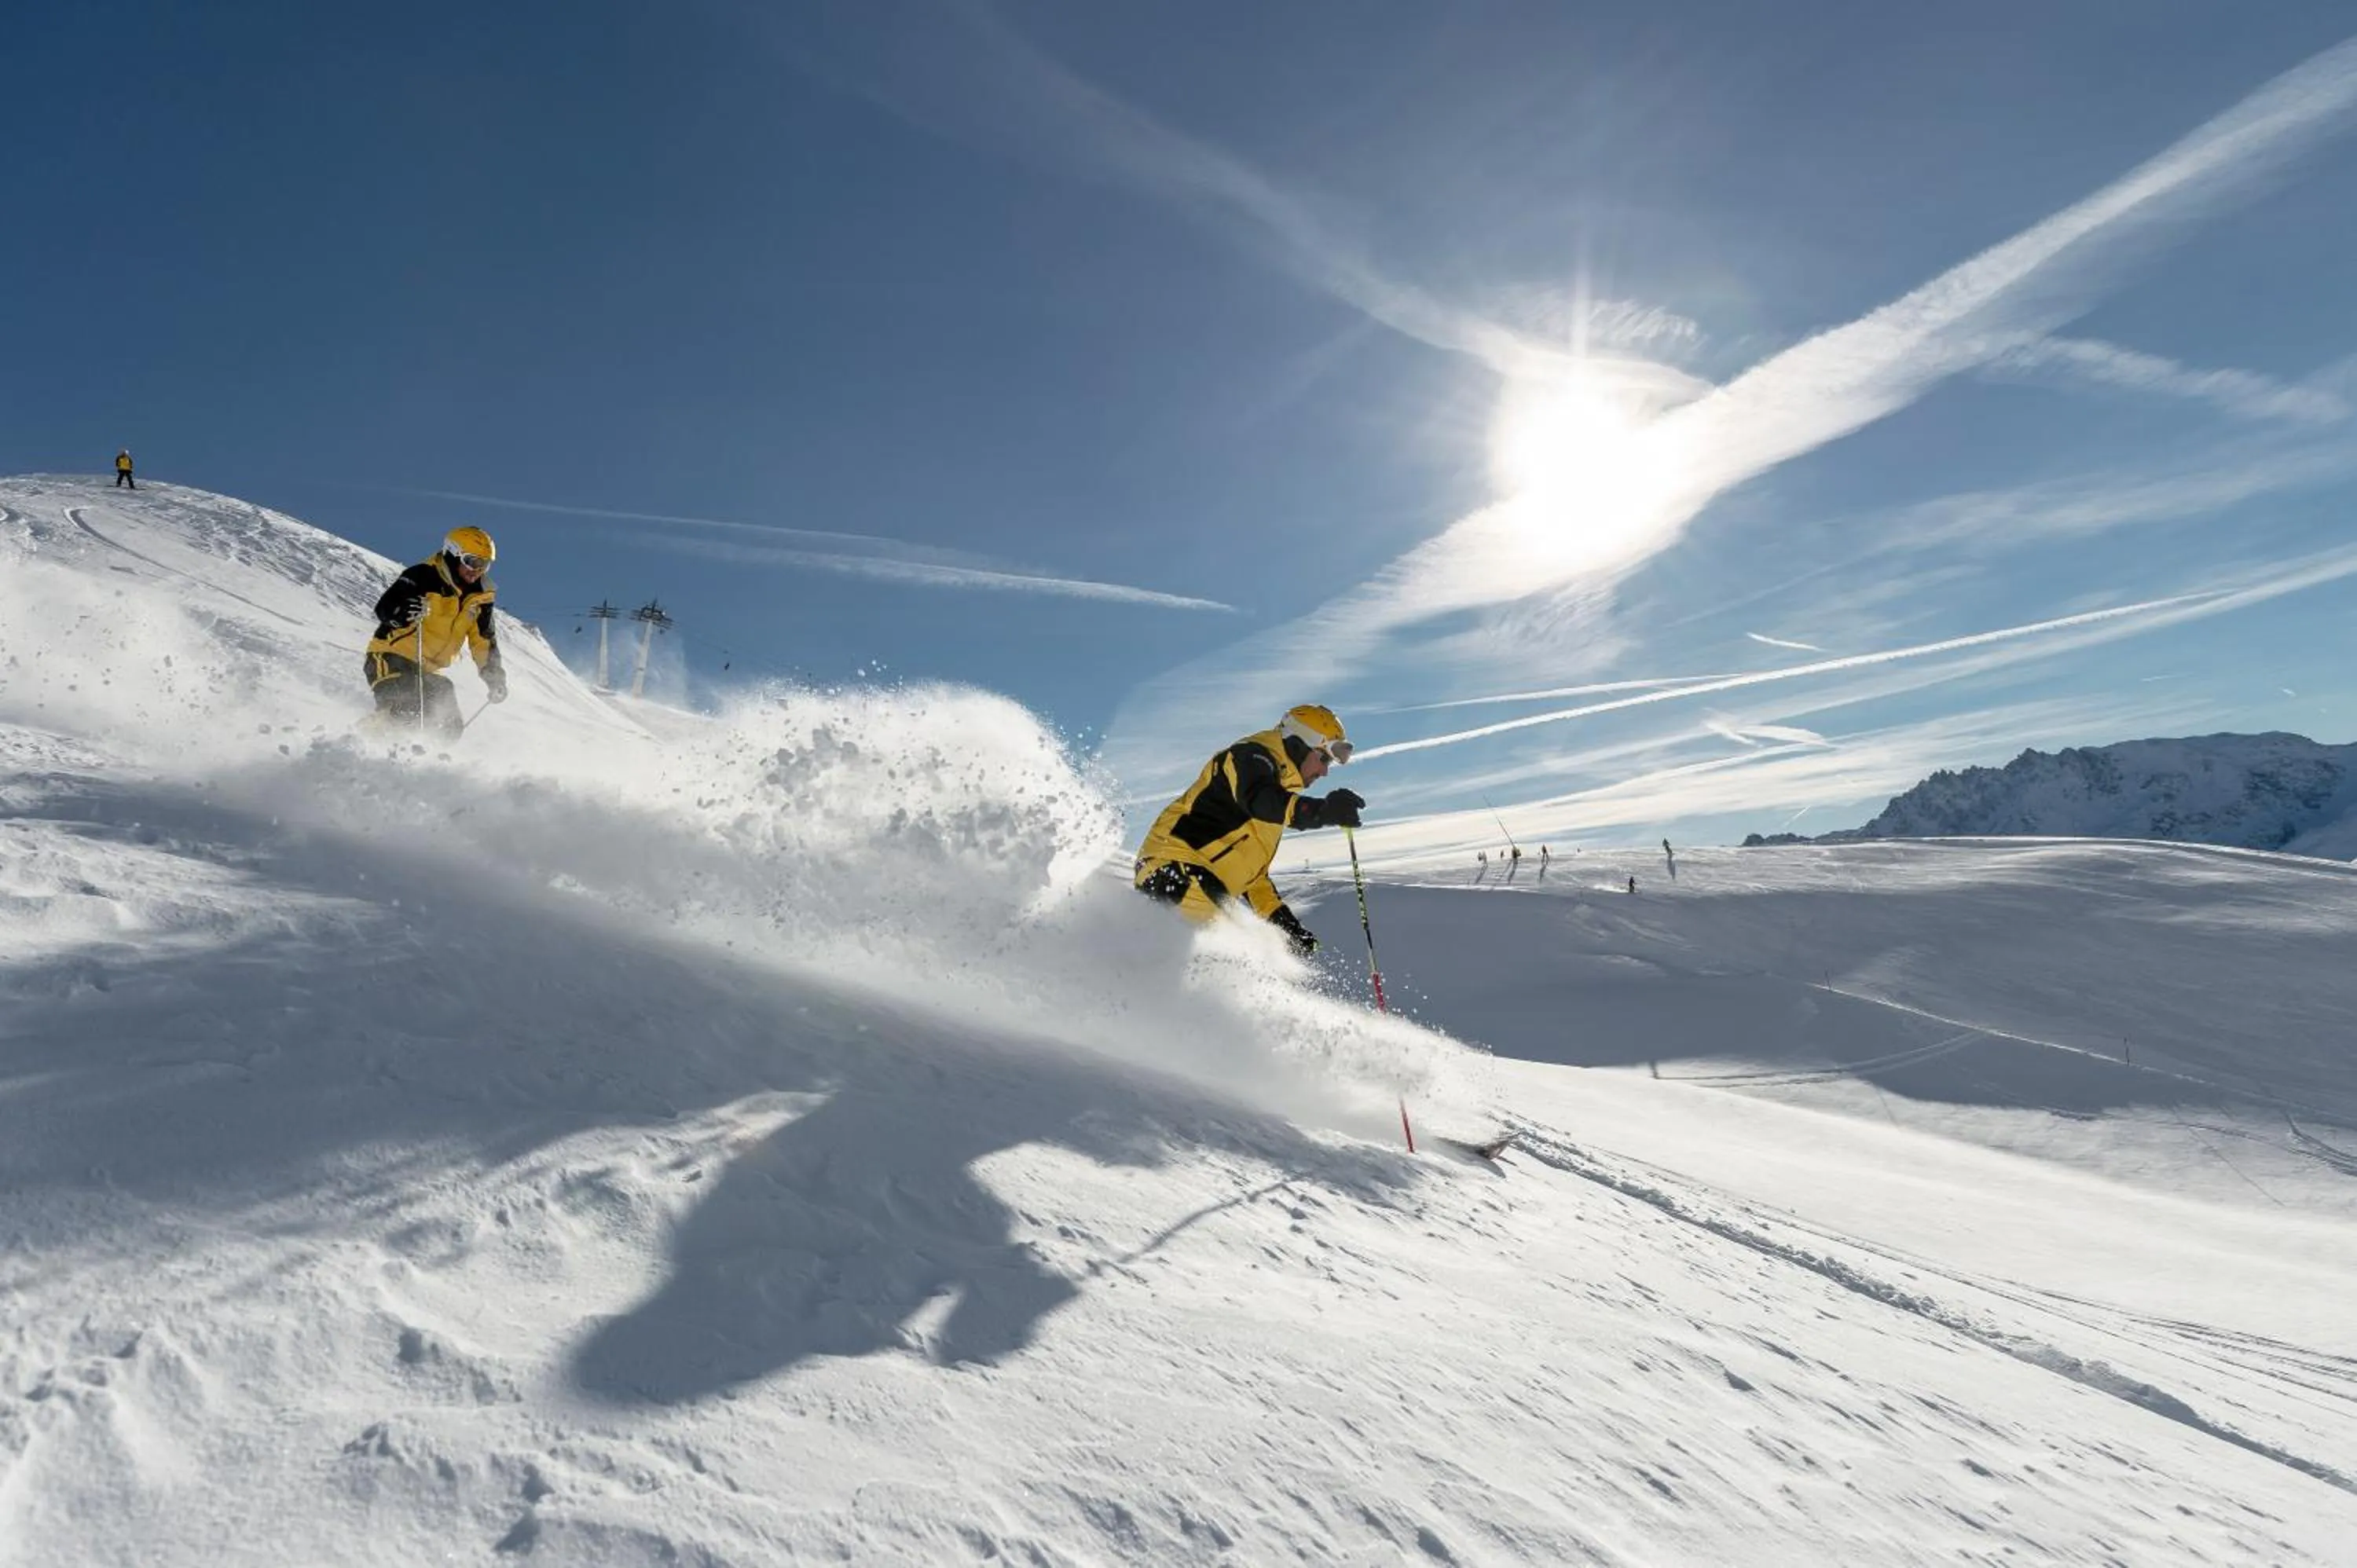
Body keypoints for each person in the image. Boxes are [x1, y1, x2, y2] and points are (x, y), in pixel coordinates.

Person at [1134, 704, 1365, 955]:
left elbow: (1254, 880)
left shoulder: (1278, 796)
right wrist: (1322, 811)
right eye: (1323, 758)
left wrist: (1288, 928)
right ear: (1299, 745)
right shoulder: (1250, 757)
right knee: (1214, 961)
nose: (1324, 771)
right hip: (1175, 868)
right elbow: (1257, 798)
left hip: (1204, 881)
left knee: (1229, 958)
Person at [364, 527, 508, 738]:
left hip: (428, 671)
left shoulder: (480, 598)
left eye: (484, 564)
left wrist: (494, 678)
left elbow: (483, 641)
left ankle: (429, 766)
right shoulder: (423, 576)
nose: (477, 570)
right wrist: (404, 612)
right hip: (390, 657)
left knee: (448, 727)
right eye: (472, 562)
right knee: (407, 708)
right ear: (453, 554)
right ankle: (359, 743)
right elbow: (385, 609)